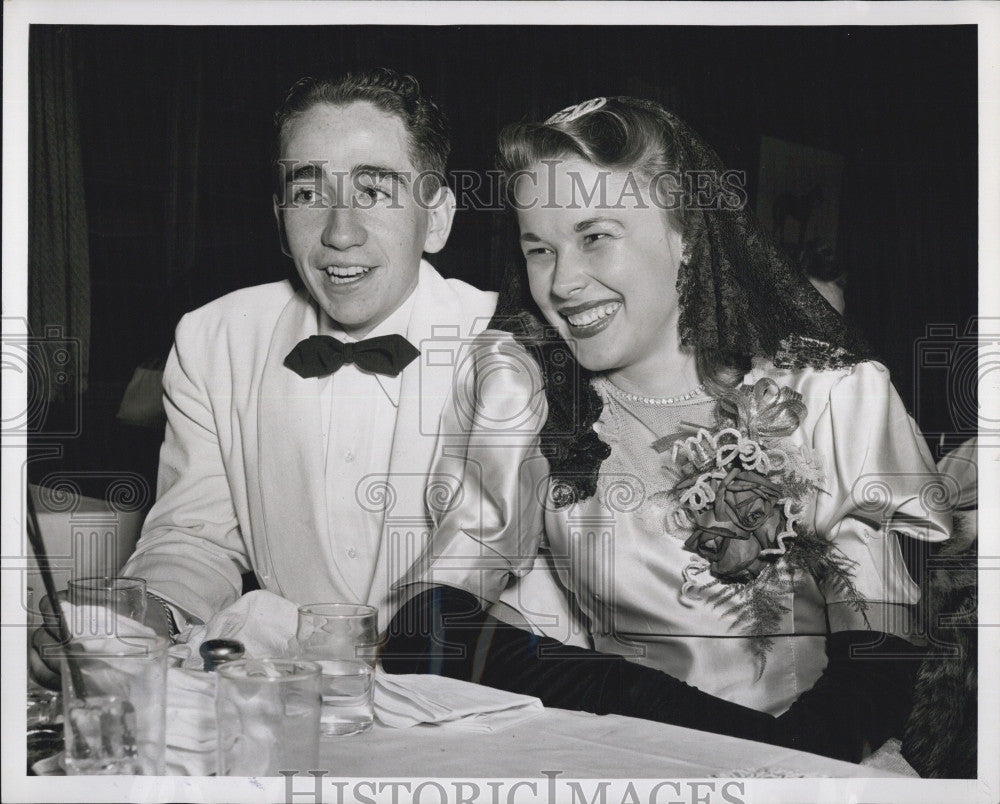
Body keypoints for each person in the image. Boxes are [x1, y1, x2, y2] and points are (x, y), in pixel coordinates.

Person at [383, 96, 952, 763]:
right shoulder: (537, 399)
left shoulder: (830, 393)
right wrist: (638, 702)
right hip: (619, 759)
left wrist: (770, 758)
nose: (563, 283)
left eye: (596, 236)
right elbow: (424, 629)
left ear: (684, 233)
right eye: (540, 248)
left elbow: (882, 656)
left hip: (817, 761)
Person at [37, 68, 500, 662]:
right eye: (308, 194)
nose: (340, 233)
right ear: (280, 217)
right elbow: (194, 539)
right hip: (288, 698)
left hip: (469, 698)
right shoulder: (215, 339)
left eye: (374, 191)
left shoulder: (506, 345)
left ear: (436, 217)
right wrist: (135, 613)